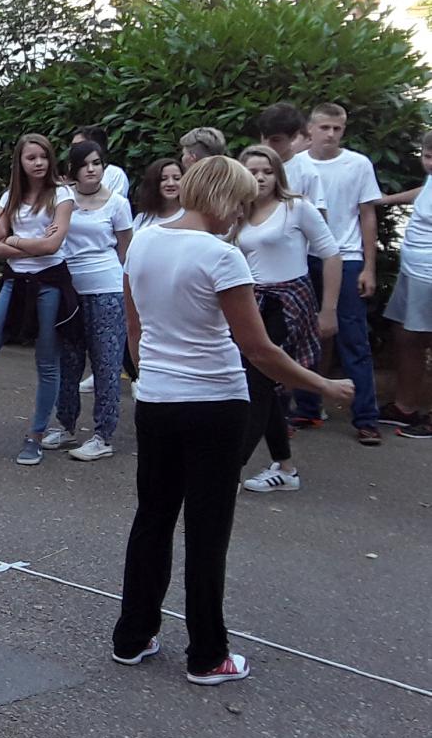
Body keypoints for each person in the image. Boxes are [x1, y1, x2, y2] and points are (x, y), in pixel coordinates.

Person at [113, 156, 352, 685]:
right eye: (240, 204)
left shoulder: (143, 242)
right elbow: (260, 350)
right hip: (215, 404)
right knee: (207, 529)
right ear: (222, 197)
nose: (241, 216)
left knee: (153, 517)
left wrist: (154, 377)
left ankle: (132, 636)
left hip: (156, 401)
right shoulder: (222, 257)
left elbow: (134, 329)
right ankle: (207, 654)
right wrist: (323, 385)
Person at [0, 134, 76, 465]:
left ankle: (36, 436)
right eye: (31, 157)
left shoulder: (62, 194)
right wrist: (27, 243)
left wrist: (14, 240)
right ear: (20, 162)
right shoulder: (10, 196)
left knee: (47, 361)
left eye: (43, 156)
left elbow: (51, 246)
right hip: (14, 282)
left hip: (50, 283)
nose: (38, 163)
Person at [236, 145, 340, 490]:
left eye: (267, 171)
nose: (260, 178)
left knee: (258, 384)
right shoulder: (237, 213)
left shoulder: (296, 207)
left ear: (278, 174)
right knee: (262, 386)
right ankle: (285, 467)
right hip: (251, 303)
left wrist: (329, 310)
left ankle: (231, 467)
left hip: (287, 304)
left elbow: (332, 255)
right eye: (253, 172)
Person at [288, 103, 382, 444]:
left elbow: (367, 215)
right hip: (304, 257)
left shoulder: (358, 164)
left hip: (347, 257)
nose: (330, 134)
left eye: (337, 128)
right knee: (304, 336)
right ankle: (307, 408)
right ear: (310, 130)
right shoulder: (295, 164)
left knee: (353, 338)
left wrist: (369, 266)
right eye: (324, 127)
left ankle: (366, 418)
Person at [44, 140, 133, 460]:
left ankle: (103, 435)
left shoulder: (117, 204)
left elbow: (125, 250)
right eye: (85, 164)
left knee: (106, 362)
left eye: (97, 163)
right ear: (74, 169)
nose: (92, 169)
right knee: (68, 360)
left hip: (107, 288)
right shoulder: (62, 199)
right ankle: (65, 425)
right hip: (70, 289)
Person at [377, 137, 432, 439]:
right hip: (412, 271)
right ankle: (404, 407)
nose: (431, 164)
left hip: (429, 275)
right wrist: (386, 200)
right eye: (428, 156)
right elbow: (425, 192)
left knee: (422, 337)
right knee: (406, 335)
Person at [69, 125, 129, 197]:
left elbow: (116, 202)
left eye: (79, 145)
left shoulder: (115, 175)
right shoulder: (72, 173)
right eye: (73, 146)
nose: (74, 150)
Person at [132, 158, 184, 232]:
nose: (171, 183)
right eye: (163, 179)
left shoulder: (192, 216)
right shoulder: (142, 219)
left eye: (177, 178)